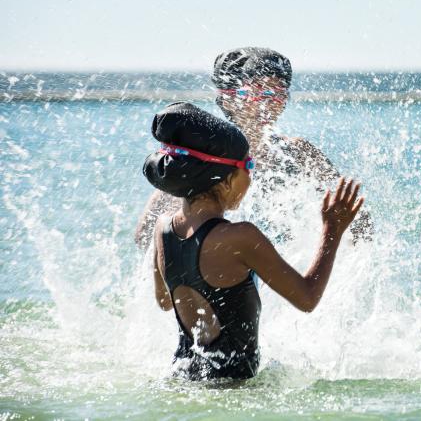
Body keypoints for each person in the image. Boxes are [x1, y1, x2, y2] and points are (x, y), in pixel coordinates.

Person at [143, 102, 363, 380]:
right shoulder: (240, 237)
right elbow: (307, 298)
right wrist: (333, 230)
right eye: (249, 165)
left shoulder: (162, 228)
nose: (253, 176)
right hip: (231, 391)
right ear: (224, 180)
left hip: (182, 378)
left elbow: (165, 301)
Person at [135, 47, 372, 250]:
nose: (269, 102)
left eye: (278, 93)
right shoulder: (202, 159)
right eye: (258, 92)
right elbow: (145, 235)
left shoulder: (299, 153)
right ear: (228, 98)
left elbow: (357, 216)